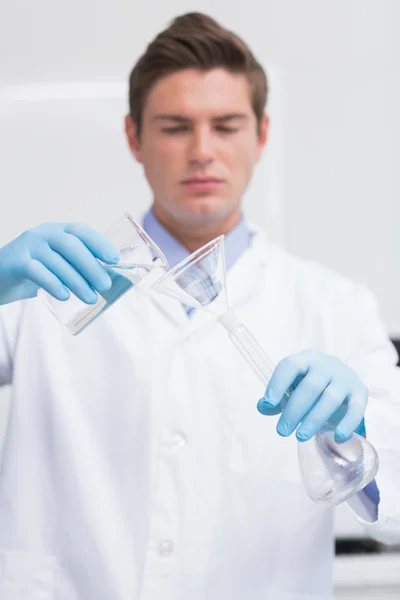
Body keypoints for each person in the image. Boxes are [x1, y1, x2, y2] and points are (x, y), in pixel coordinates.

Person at [0, 11, 399, 600]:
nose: (202, 151)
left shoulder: (334, 306)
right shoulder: (45, 290)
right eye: (175, 126)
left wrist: (352, 438)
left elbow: (388, 508)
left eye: (227, 125)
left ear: (262, 135)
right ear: (134, 137)